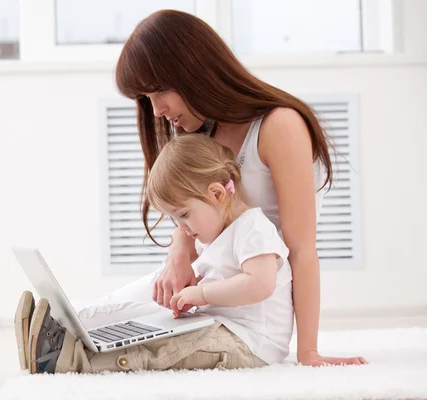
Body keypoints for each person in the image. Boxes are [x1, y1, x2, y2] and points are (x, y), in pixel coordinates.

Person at [111, 9, 366, 367]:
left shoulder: (280, 126)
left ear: (194, 70)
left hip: (251, 299)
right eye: (147, 99)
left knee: (130, 330)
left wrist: (309, 352)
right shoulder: (199, 130)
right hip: (212, 282)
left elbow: (302, 249)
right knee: (104, 316)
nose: (156, 111)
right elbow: (193, 217)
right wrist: (178, 253)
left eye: (160, 92)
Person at [19, 134, 294, 373]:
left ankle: (74, 359)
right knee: (146, 323)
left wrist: (201, 295)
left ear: (218, 194)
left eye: (184, 215)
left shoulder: (253, 227)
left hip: (252, 345)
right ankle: (63, 330)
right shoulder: (214, 235)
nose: (182, 229)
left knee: (165, 348)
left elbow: (260, 283)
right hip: (222, 326)